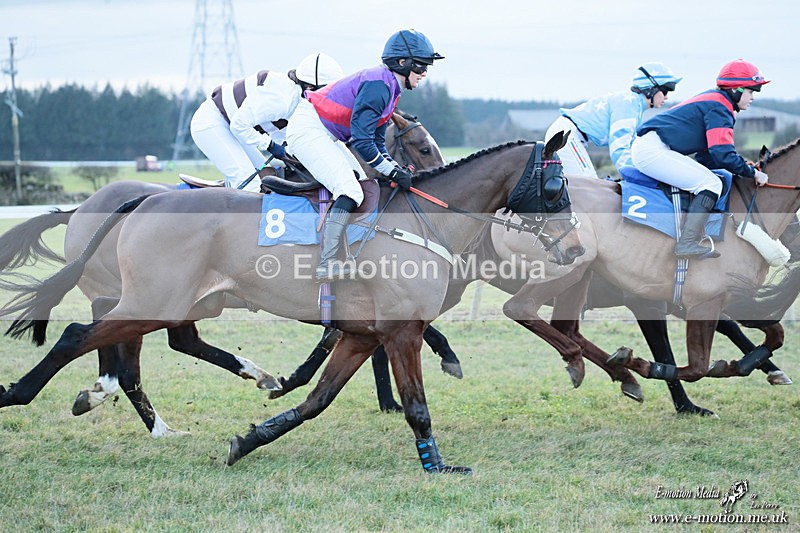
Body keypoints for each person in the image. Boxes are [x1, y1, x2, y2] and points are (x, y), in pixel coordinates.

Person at [285, 29, 444, 282]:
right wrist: (391, 171)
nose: (424, 73)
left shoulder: (390, 87)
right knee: (350, 191)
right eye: (421, 66)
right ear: (402, 63)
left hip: (326, 132)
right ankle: (327, 262)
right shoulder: (378, 86)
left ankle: (349, 249)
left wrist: (394, 167)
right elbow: (361, 140)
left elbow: (377, 140)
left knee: (363, 182)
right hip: (308, 130)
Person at [631, 59, 770, 258]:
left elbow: (707, 157)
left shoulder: (718, 102)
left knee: (712, 177)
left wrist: (741, 167)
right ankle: (687, 243)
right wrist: (752, 172)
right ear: (736, 90)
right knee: (711, 184)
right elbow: (722, 153)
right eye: (751, 91)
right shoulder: (720, 106)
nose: (753, 97)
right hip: (653, 150)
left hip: (652, 147)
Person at [189, 53, 343, 191]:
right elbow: (239, 125)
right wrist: (269, 145)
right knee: (250, 185)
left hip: (234, 127)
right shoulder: (282, 99)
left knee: (268, 175)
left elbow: (286, 136)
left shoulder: (298, 98)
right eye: (325, 91)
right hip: (212, 124)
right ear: (309, 86)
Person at [545, 62, 682, 179]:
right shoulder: (629, 105)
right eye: (666, 91)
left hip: (570, 134)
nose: (667, 97)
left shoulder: (635, 106)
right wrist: (637, 176)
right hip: (567, 135)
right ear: (651, 88)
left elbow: (633, 149)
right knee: (590, 186)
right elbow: (619, 149)